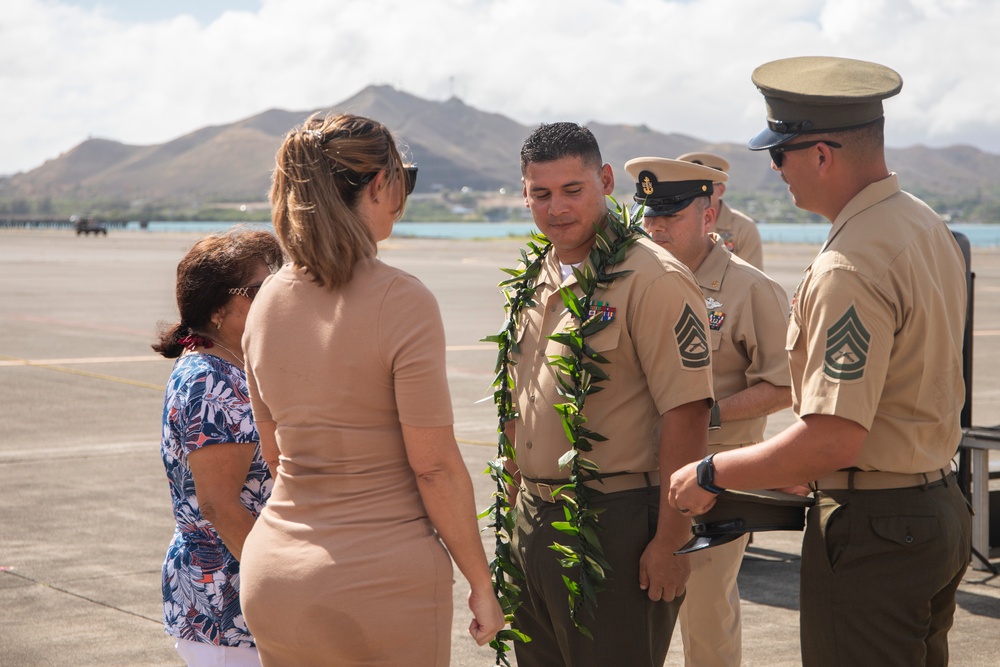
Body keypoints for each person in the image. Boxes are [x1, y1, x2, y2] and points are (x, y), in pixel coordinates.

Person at [668, 56, 972, 667]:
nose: (777, 171)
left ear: (822, 155)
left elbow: (834, 439)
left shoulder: (850, 264)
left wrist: (711, 473)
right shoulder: (923, 223)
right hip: (935, 507)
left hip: (875, 530)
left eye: (779, 155)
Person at [238, 113, 504, 666]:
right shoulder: (402, 300)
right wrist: (480, 580)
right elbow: (433, 467)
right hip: (379, 583)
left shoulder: (266, 301)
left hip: (274, 574)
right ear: (379, 184)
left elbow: (274, 450)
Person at [504, 122, 714, 667]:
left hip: (614, 522)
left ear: (604, 181)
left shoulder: (652, 278)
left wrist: (671, 541)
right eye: (540, 193)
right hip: (535, 517)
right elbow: (521, 401)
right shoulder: (538, 276)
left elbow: (687, 414)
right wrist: (513, 510)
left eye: (573, 190)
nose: (557, 208)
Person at [625, 156, 792, 667]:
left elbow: (784, 385)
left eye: (670, 216)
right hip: (635, 475)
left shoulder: (751, 290)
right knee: (632, 615)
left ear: (707, 217)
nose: (655, 227)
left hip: (710, 481)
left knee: (705, 619)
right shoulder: (637, 278)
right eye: (649, 216)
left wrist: (702, 415)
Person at [153, 228, 284, 667]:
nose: (274, 300)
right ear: (215, 309)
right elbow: (218, 506)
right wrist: (280, 589)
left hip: (240, 600)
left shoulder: (234, 367)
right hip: (227, 607)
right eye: (259, 291)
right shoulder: (209, 380)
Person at [677, 151, 764, 270]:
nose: (696, 195)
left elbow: (753, 282)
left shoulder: (743, 228)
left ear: (721, 190)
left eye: (704, 189)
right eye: (688, 189)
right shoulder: (672, 224)